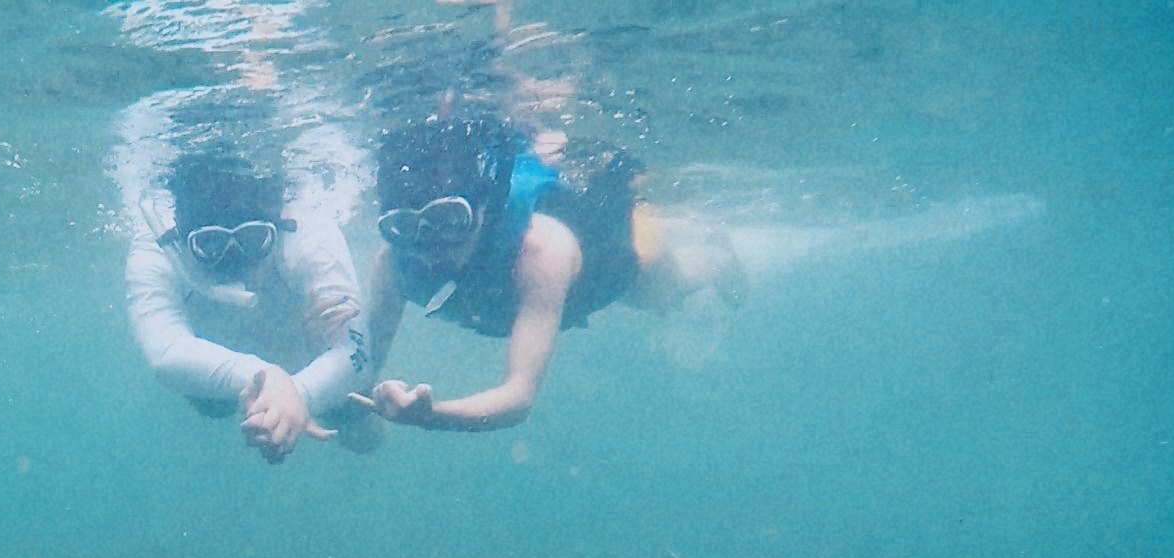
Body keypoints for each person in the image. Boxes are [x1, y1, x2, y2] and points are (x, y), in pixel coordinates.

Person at [350, 117, 744, 431]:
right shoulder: (394, 264)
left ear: (486, 207)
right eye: (404, 226)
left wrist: (434, 416)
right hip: (514, 293)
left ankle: (717, 258)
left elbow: (519, 395)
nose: (430, 244)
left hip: (601, 266)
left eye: (451, 219)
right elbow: (363, 367)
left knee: (659, 293)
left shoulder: (541, 251)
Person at [127, 151, 380, 462]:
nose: (236, 261)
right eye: (210, 243)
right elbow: (164, 353)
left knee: (365, 437)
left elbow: (357, 348)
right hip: (217, 381)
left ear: (280, 223)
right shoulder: (159, 246)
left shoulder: (308, 232)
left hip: (300, 356)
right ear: (181, 236)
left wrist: (295, 395)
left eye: (254, 238)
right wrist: (267, 379)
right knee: (212, 407)